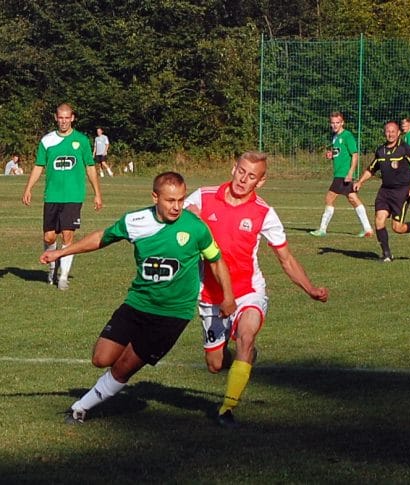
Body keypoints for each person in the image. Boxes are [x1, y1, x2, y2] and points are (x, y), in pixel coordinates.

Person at [40, 171, 236, 424]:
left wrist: (228, 297)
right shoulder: (136, 220)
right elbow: (103, 237)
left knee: (123, 367)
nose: (177, 206)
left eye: (181, 199)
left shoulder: (195, 228)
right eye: (170, 200)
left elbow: (216, 261)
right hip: (137, 303)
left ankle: (81, 408)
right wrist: (62, 253)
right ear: (155, 197)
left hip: (172, 314)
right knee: (101, 358)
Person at [184, 152, 329, 428]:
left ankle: (226, 409)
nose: (243, 179)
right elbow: (177, 217)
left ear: (260, 182)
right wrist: (190, 215)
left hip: (248, 291)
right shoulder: (203, 196)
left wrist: (309, 288)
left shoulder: (264, 212)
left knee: (246, 336)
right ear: (233, 168)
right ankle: (243, 358)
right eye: (241, 171)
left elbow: (285, 258)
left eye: (252, 176)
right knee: (215, 364)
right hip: (210, 295)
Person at [22, 102, 103, 290]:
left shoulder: (81, 141)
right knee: (49, 237)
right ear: (56, 118)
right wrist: (28, 188)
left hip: (73, 196)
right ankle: (52, 267)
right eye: (61, 118)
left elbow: (90, 168)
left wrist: (97, 194)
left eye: (67, 118)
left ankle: (63, 277)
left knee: (68, 235)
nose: (64, 121)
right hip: (52, 195)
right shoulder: (47, 141)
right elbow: (38, 166)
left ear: (72, 118)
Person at [353, 121, 410, 262]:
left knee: (398, 228)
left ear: (398, 133)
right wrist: (360, 182)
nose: (390, 134)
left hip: (401, 192)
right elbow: (371, 169)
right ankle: (387, 254)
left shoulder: (404, 148)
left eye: (393, 131)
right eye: (387, 131)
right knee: (379, 220)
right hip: (385, 191)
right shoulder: (380, 150)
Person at [310, 111, 373, 237]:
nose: (335, 125)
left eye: (337, 123)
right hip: (340, 173)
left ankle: (322, 229)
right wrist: (331, 155)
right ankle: (368, 229)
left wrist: (350, 172)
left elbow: (354, 154)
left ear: (342, 123)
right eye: (332, 123)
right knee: (353, 199)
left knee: (329, 198)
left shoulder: (347, 136)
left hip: (343, 174)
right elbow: (339, 153)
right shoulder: (335, 138)